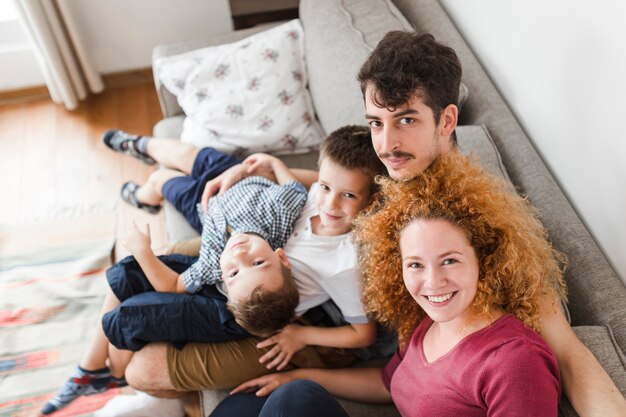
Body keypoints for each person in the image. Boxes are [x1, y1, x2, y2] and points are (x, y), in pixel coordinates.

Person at [212, 30, 626, 416]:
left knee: (173, 361)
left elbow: (567, 352)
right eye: (377, 122)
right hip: (371, 340)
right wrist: (266, 170)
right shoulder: (401, 173)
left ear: (447, 121)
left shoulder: (484, 226)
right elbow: (345, 188)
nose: (386, 145)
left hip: (349, 333)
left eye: (406, 120)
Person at [226, 152, 563, 417]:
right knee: (253, 402)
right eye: (415, 264)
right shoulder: (428, 322)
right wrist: (296, 375)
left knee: (291, 402)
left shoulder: (514, 361)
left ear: (484, 257)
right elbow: (387, 383)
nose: (432, 282)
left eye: (450, 260)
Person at [42, 151, 308, 415]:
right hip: (226, 192)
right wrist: (274, 163)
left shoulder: (215, 262)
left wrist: (143, 250)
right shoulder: (278, 214)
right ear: (280, 256)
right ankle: (92, 371)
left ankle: (105, 373)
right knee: (126, 274)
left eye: (235, 273)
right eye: (258, 262)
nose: (240, 254)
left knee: (130, 315)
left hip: (223, 302)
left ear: (224, 280)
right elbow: (295, 189)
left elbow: (174, 285)